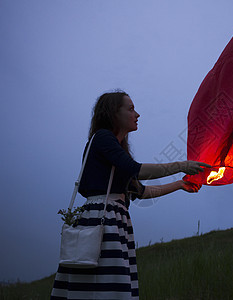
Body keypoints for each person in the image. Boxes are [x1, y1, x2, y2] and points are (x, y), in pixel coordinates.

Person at [51, 91, 210, 300]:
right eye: (131, 108)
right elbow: (136, 169)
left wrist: (180, 184)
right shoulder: (103, 138)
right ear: (113, 113)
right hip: (103, 217)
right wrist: (182, 165)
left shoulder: (115, 149)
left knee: (104, 285)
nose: (137, 114)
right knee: (104, 285)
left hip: (113, 219)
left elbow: (141, 192)